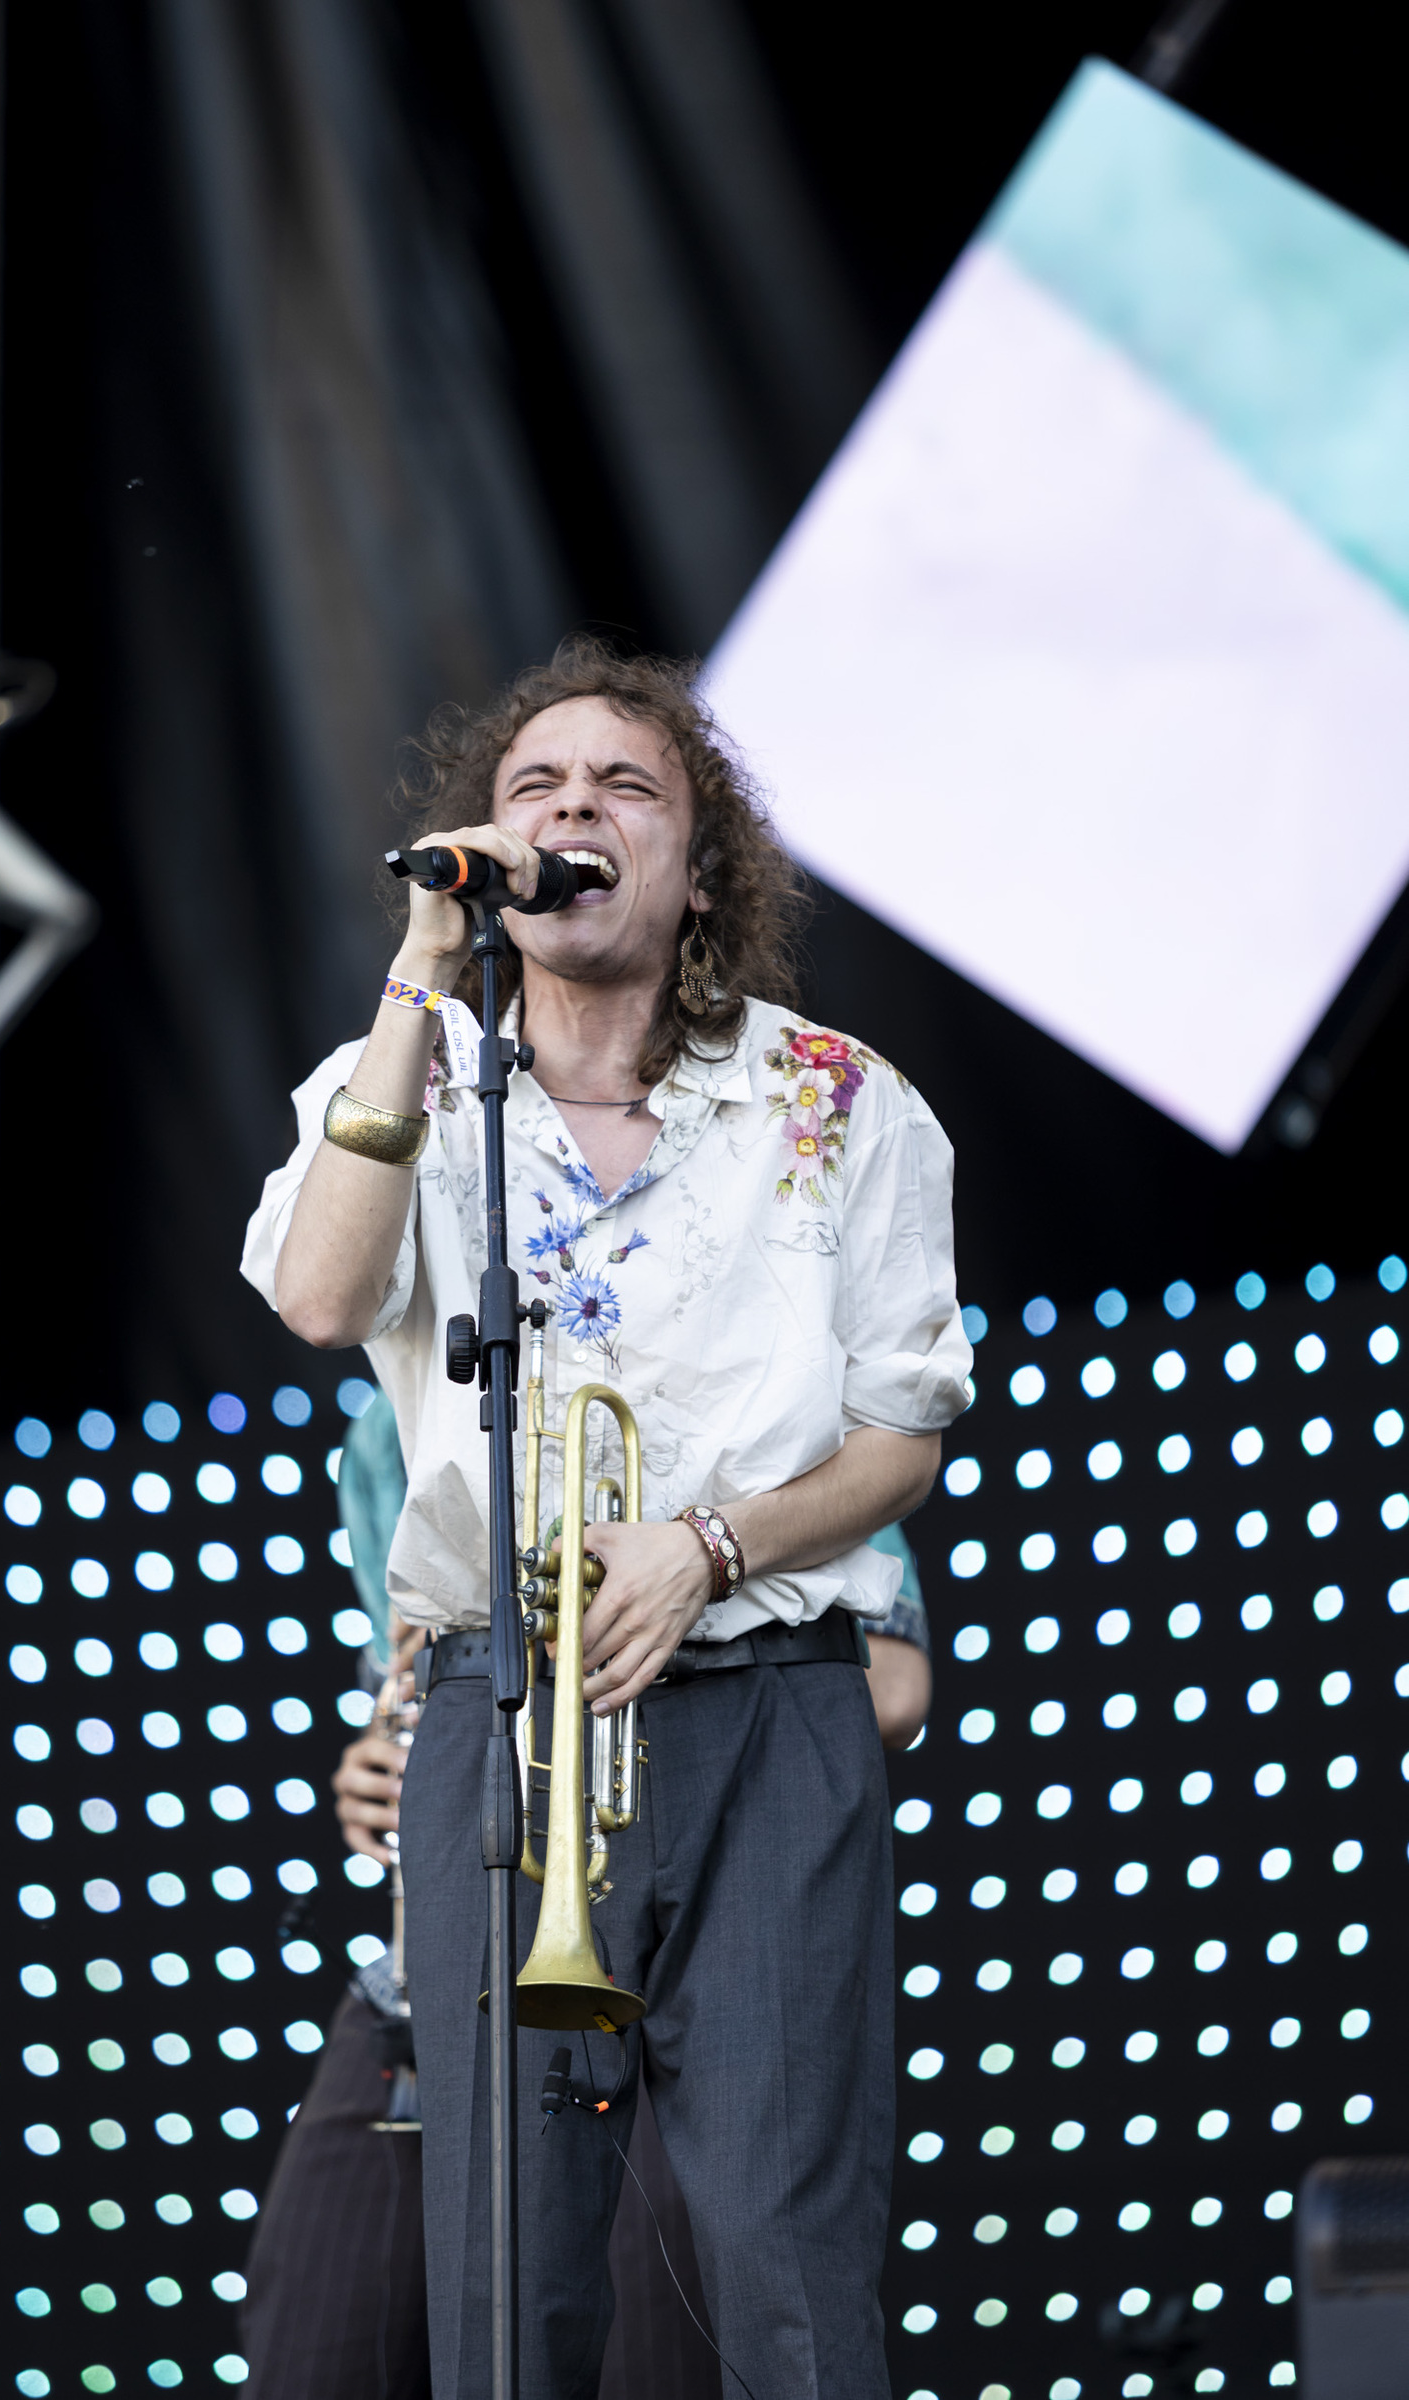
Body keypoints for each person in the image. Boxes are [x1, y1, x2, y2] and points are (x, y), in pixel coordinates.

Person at [241, 638, 971, 2400]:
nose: (573, 808)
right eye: (536, 788)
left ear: (698, 870)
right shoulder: (403, 1080)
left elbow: (905, 1440)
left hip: (771, 1712)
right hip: (500, 1714)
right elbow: (321, 1299)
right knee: (508, 2284)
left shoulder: (840, 1101)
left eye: (625, 787)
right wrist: (422, 973)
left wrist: (708, 1546)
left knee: (793, 2269)